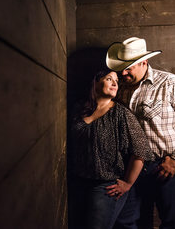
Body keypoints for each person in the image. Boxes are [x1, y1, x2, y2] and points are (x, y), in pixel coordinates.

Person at [106, 37, 175, 229]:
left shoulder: (169, 83)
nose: (123, 72)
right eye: (122, 67)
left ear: (144, 62)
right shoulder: (120, 87)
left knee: (171, 221)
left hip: (164, 165)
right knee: (137, 221)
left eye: (129, 67)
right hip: (131, 166)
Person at [67, 68, 153, 229]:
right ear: (96, 82)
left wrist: (127, 183)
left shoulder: (121, 114)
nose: (115, 83)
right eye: (109, 79)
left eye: (116, 81)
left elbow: (141, 151)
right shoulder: (79, 108)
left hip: (105, 186)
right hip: (78, 182)